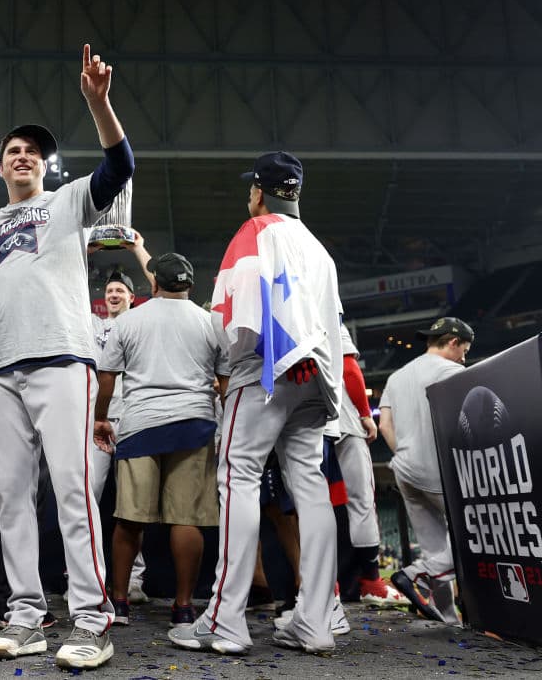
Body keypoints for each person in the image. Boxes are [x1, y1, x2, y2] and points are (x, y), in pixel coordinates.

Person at [0, 44, 133, 669]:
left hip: (64, 357)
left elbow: (120, 164)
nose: (23, 155)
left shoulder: (69, 201)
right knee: (10, 497)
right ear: (1, 165)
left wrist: (98, 102)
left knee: (70, 491)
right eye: (14, 150)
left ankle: (91, 620)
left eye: (33, 150)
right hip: (3, 368)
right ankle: (28, 614)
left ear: (43, 164)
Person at [170, 150, 343, 655]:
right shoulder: (319, 248)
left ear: (259, 192)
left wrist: (245, 356)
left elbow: (236, 320)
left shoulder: (255, 231)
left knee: (238, 477)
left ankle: (225, 620)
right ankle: (316, 620)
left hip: (266, 369)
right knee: (310, 487)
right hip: (317, 376)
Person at [94, 252, 223, 628]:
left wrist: (101, 418)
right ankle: (183, 607)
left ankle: (119, 603)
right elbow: (226, 383)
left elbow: (106, 378)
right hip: (195, 425)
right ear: (190, 285)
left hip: (140, 424)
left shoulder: (131, 320)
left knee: (130, 519)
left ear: (154, 285)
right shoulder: (210, 322)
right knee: (187, 520)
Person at [379, 317, 473, 625]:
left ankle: (446, 617)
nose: (465, 357)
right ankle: (415, 574)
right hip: (439, 469)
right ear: (453, 342)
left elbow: (384, 426)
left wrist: (406, 454)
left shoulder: (396, 376)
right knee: (474, 538)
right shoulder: (453, 372)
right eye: (464, 349)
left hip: (404, 468)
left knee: (434, 543)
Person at [88, 238, 154, 605]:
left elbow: (162, 285)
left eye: (120, 290)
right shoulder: (92, 325)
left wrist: (136, 250)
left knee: (133, 504)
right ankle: (88, 573)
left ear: (132, 297)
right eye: (110, 289)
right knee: (89, 499)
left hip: (131, 420)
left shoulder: (141, 323)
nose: (113, 294)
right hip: (96, 423)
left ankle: (134, 580)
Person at [334, 326, 409, 607]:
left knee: (318, 505)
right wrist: (365, 413)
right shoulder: (325, 306)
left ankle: (331, 585)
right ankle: (370, 581)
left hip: (301, 426)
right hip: (342, 422)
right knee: (361, 501)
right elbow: (349, 369)